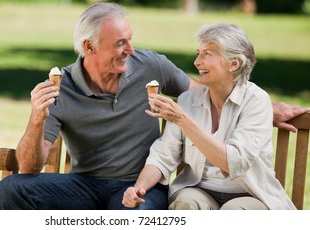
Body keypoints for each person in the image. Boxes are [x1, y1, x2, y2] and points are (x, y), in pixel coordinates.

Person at [0, 3, 307, 210]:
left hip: (140, 185)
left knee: (134, 215)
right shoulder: (60, 86)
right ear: (89, 46)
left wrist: (268, 107)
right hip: (85, 185)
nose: (130, 50)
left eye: (130, 39)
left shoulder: (151, 66)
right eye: (120, 43)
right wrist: (37, 118)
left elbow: (206, 93)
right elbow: (29, 168)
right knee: (12, 189)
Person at [122, 23, 301, 210]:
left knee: (233, 213)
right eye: (198, 53)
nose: (197, 62)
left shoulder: (257, 101)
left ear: (234, 64)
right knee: (186, 202)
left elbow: (232, 164)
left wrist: (183, 120)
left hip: (250, 194)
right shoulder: (187, 100)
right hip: (199, 189)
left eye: (206, 54)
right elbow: (162, 156)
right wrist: (138, 188)